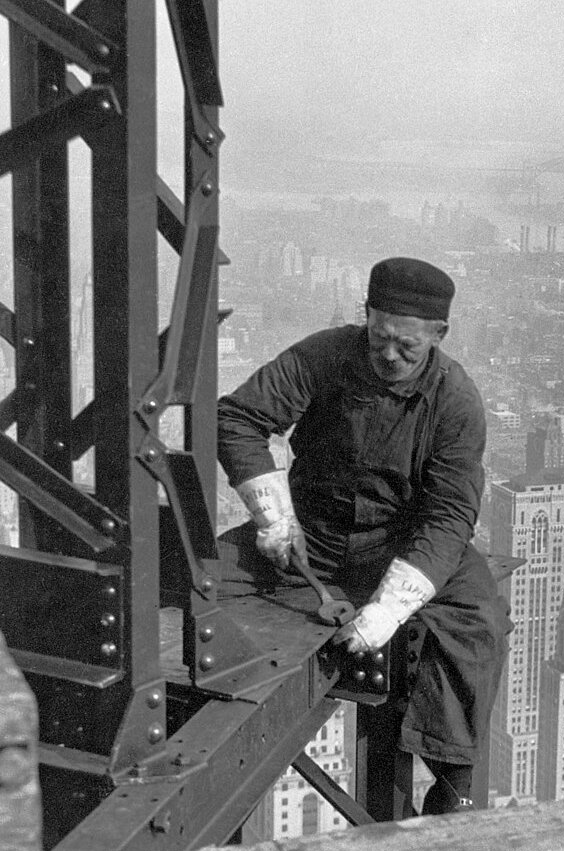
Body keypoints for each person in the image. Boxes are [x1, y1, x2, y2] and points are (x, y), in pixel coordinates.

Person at [217, 256, 510, 816]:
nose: (389, 356)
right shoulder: (324, 355)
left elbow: (449, 515)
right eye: (379, 338)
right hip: (312, 534)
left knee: (478, 618)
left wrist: (388, 610)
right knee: (201, 576)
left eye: (407, 346)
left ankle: (453, 783)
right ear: (366, 317)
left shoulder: (455, 401)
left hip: (401, 546)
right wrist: (274, 517)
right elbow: (239, 418)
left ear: (438, 336)